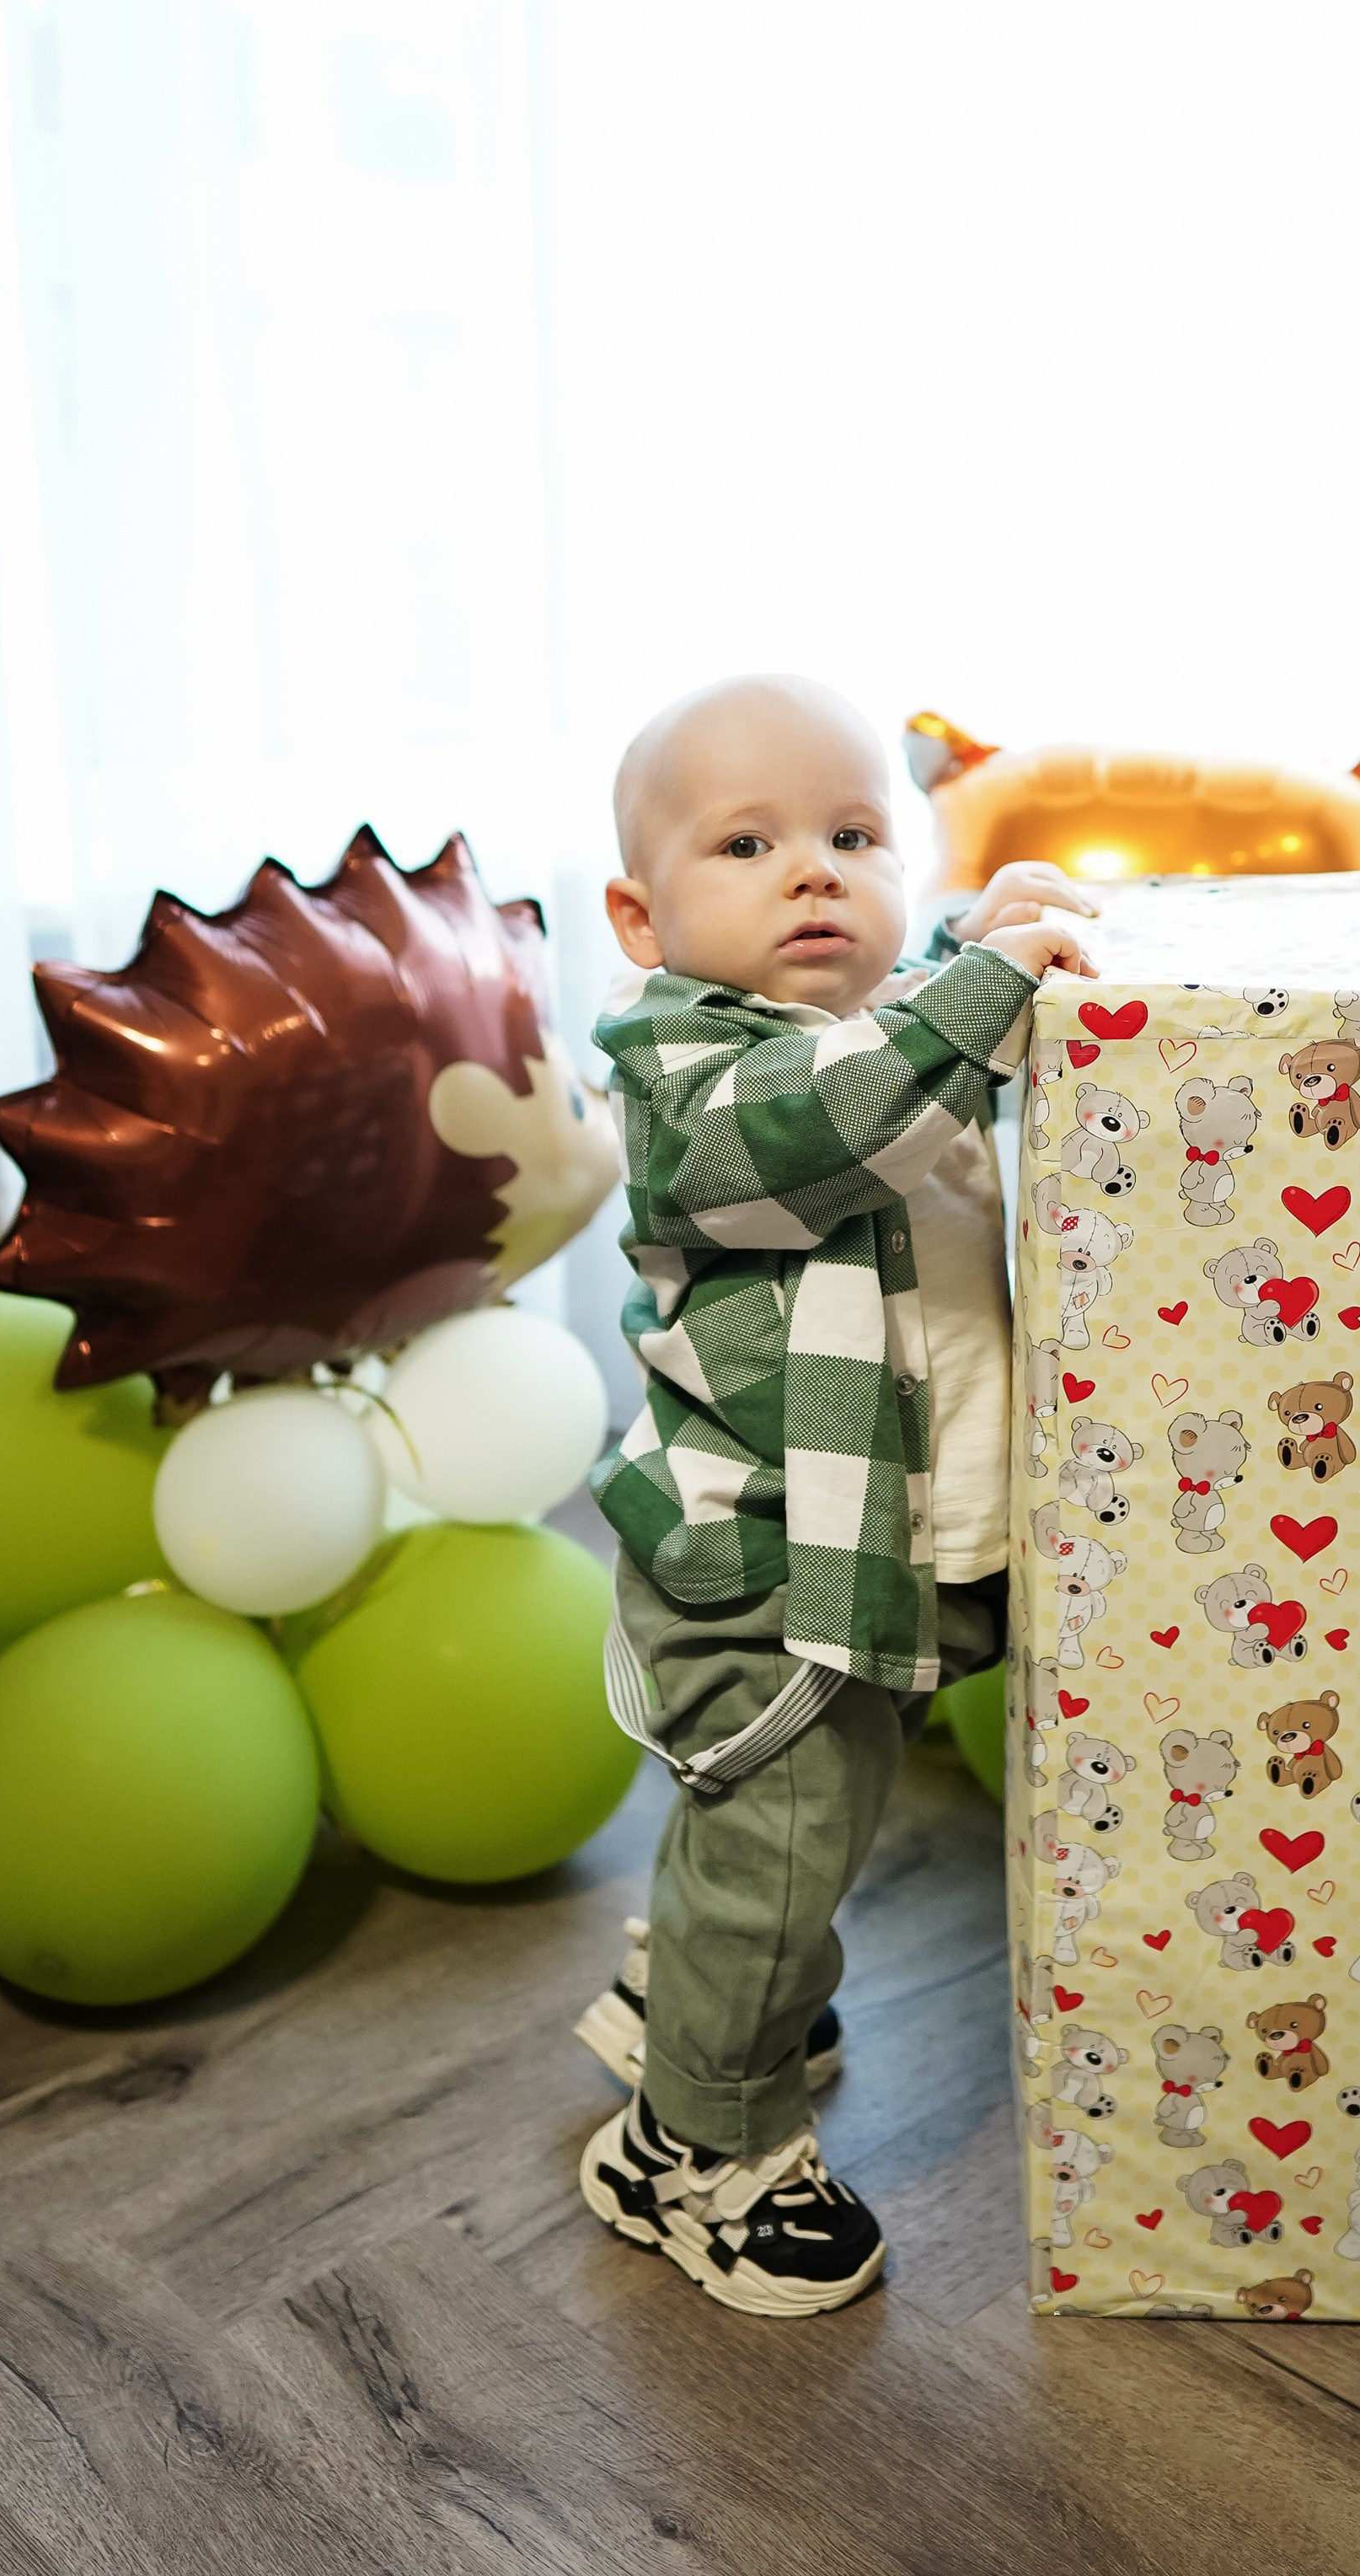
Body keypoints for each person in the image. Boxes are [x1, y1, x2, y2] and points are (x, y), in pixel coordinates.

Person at [575, 675, 1095, 2316]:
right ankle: (693, 2145)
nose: (814, 871)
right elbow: (820, 1126)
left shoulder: (881, 1026)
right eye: (748, 842)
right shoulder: (684, 1061)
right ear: (639, 915)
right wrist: (968, 983)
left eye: (855, 835)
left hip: (868, 1543)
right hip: (762, 1573)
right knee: (789, 1827)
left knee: (798, 1832)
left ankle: (710, 1972)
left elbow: (910, 1036)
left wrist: (979, 939)